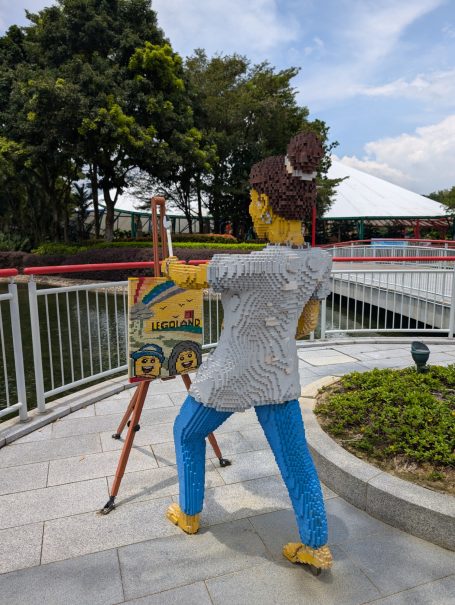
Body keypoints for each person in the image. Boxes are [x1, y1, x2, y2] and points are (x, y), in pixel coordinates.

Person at [162, 132, 333, 572]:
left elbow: (187, 275)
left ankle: (190, 513)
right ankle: (316, 545)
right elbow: (304, 325)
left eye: (254, 199)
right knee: (296, 460)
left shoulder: (247, 264)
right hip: (279, 373)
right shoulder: (319, 262)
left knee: (186, 432)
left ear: (266, 203)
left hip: (233, 371)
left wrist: (168, 267)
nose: (252, 209)